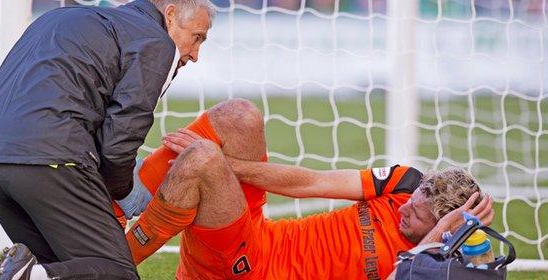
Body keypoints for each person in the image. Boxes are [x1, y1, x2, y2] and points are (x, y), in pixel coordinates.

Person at [0, 0, 215, 279]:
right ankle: (20, 275)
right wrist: (123, 190)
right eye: (196, 38)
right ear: (170, 15)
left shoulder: (58, 17)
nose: (194, 55)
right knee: (118, 273)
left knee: (65, 267)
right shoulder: (156, 41)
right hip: (48, 158)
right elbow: (122, 136)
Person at [122, 98, 494, 279]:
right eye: (412, 200)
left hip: (248, 271)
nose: (403, 208)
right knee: (240, 116)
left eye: (417, 215)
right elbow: (311, 182)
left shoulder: (435, 267)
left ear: (443, 229)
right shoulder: (404, 183)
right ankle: (119, 203)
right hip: (253, 238)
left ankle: (111, 261)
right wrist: (232, 166)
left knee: (202, 157)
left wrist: (448, 235)